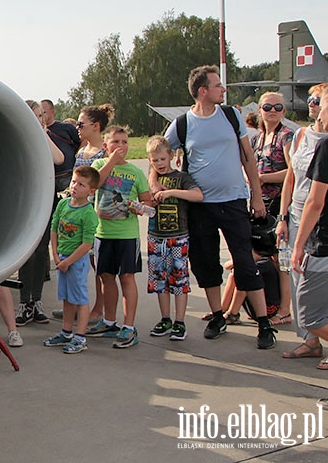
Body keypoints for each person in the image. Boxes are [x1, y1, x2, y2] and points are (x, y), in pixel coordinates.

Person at [160, 65, 276, 350]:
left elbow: (249, 157)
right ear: (203, 91)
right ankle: (217, 316)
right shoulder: (183, 124)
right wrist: (156, 182)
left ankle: (264, 323)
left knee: (246, 262)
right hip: (200, 206)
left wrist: (257, 196)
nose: (223, 89)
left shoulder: (230, 115)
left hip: (234, 201)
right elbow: (158, 153)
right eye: (218, 85)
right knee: (205, 262)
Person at [279, 82, 328, 368]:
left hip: (324, 233)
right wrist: (284, 217)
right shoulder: (302, 135)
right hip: (303, 220)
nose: (316, 108)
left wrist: (300, 244)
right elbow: (292, 176)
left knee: (313, 308)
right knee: (308, 292)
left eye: (320, 102)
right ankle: (311, 343)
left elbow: (317, 201)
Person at [85, 125, 152, 349]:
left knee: (127, 278)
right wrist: (111, 161)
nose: (121, 146)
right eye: (115, 142)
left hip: (127, 234)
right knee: (106, 276)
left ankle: (129, 327)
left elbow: (148, 202)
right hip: (103, 233)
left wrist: (140, 207)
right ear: (105, 145)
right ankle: (109, 321)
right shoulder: (99, 165)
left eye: (124, 142)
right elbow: (93, 185)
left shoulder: (135, 172)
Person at [52, 103, 115, 323]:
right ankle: (75, 304)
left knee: (98, 267)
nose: (77, 127)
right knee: (80, 265)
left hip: (94, 213)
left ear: (95, 126)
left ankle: (97, 308)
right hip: (76, 212)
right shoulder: (82, 148)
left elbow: (101, 179)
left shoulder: (105, 152)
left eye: (81, 124)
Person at [145, 136, 203, 341]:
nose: (160, 164)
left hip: (178, 237)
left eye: (162, 159)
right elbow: (146, 204)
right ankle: (165, 318)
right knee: (160, 280)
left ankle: (180, 321)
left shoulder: (182, 178)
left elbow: (198, 195)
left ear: (170, 156)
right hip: (156, 236)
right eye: (155, 161)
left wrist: (170, 193)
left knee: (179, 279)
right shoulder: (151, 180)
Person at [15, 100, 65, 325]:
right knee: (29, 254)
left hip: (46, 202)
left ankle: (36, 301)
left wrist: (43, 133)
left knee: (41, 253)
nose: (38, 119)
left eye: (40, 115)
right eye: (33, 115)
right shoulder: (18, 138)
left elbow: (59, 158)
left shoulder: (45, 138)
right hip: (25, 203)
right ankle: (24, 302)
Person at [43, 165, 100, 354]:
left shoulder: (88, 214)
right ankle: (66, 332)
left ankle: (80, 337)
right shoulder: (62, 204)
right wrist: (56, 255)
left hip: (77, 261)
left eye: (81, 184)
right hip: (62, 259)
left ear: (91, 191)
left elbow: (87, 244)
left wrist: (68, 262)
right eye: (74, 181)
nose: (75, 186)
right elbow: (54, 228)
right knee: (67, 297)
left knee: (80, 299)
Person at [251, 92, 294, 326]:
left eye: (278, 106)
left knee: (281, 258)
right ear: (260, 110)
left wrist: (264, 178)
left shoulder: (287, 136)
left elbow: (293, 170)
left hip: (280, 203)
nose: (273, 111)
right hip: (260, 205)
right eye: (268, 106)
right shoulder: (257, 138)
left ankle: (285, 310)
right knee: (258, 254)